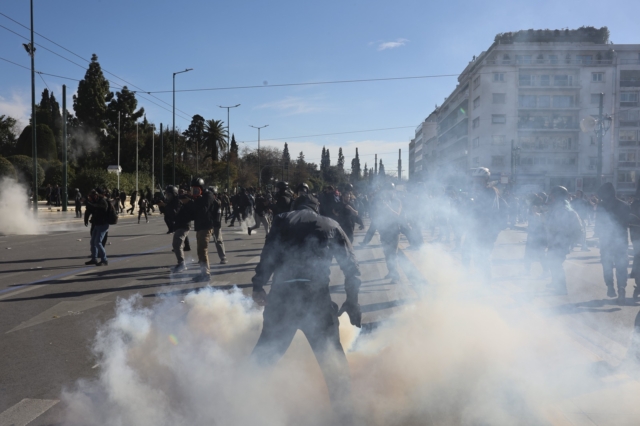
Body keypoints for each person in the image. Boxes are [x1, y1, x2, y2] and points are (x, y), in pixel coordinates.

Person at [250, 193, 361, 422]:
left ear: (295, 206)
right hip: (316, 299)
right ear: (317, 207)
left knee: (262, 359)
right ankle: (346, 418)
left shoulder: (281, 219)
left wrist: (258, 286)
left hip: (283, 298)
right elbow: (351, 266)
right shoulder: (331, 224)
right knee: (333, 364)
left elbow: (268, 255)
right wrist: (352, 301)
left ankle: (238, 404)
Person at [460, 167, 508, 283]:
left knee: (482, 256)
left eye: (479, 179)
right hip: (476, 228)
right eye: (475, 179)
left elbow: (486, 211)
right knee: (466, 251)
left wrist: (474, 205)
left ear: (486, 180)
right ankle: (467, 276)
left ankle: (485, 283)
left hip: (487, 229)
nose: (476, 182)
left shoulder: (490, 192)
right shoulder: (478, 192)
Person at [595, 182, 631, 304]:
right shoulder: (625, 205)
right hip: (621, 240)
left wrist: (598, 235)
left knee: (607, 265)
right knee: (621, 266)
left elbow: (598, 225)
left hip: (606, 241)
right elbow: (628, 223)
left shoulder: (601, 206)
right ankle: (621, 289)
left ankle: (610, 287)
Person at [544, 186, 583, 295]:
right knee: (552, 263)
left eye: (552, 197)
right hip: (554, 242)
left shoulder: (566, 211)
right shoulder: (555, 210)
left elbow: (578, 229)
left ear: (557, 198)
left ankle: (561, 288)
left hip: (560, 243)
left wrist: (568, 241)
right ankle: (556, 283)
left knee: (555, 263)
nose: (550, 199)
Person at [189, 177, 227, 283]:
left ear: (201, 188)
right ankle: (203, 272)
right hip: (200, 226)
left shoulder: (208, 196)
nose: (194, 192)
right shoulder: (200, 198)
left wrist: (193, 201)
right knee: (200, 251)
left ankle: (205, 273)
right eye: (193, 190)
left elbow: (203, 210)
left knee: (203, 250)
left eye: (196, 189)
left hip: (206, 227)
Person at [376, 182, 403, 283]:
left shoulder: (397, 201)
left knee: (393, 254)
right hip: (384, 231)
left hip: (394, 231)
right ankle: (391, 271)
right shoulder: (382, 202)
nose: (388, 192)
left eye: (390, 190)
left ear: (394, 191)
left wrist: (387, 207)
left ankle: (396, 276)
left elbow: (397, 214)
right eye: (386, 190)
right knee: (387, 253)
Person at [84, 189, 110, 266]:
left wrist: (87, 202)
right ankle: (94, 258)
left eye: (91, 197)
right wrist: (86, 219)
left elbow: (96, 207)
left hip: (103, 224)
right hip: (96, 224)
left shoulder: (102, 201)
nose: (90, 198)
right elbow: (89, 210)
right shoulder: (94, 201)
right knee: (92, 242)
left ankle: (104, 260)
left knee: (98, 242)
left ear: (95, 195)